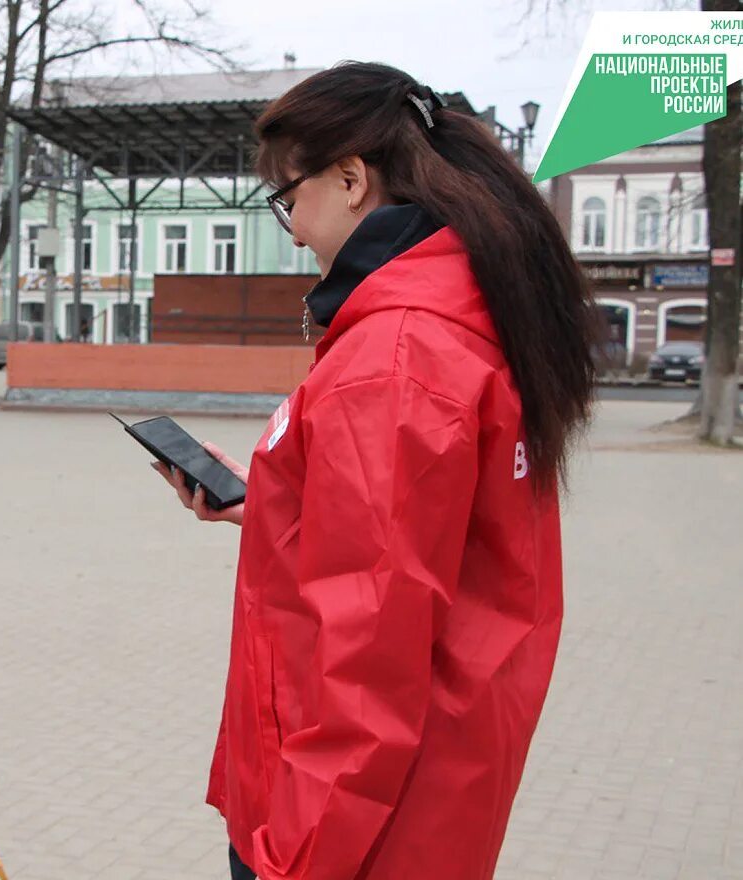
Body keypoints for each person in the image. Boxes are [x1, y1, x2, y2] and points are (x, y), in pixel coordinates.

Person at [155, 62, 596, 880]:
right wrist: (270, 508)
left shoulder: (391, 358)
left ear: (352, 178)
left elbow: (367, 665)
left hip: (348, 831)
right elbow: (426, 551)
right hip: (425, 804)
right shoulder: (465, 313)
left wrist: (296, 859)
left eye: (288, 199)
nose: (290, 231)